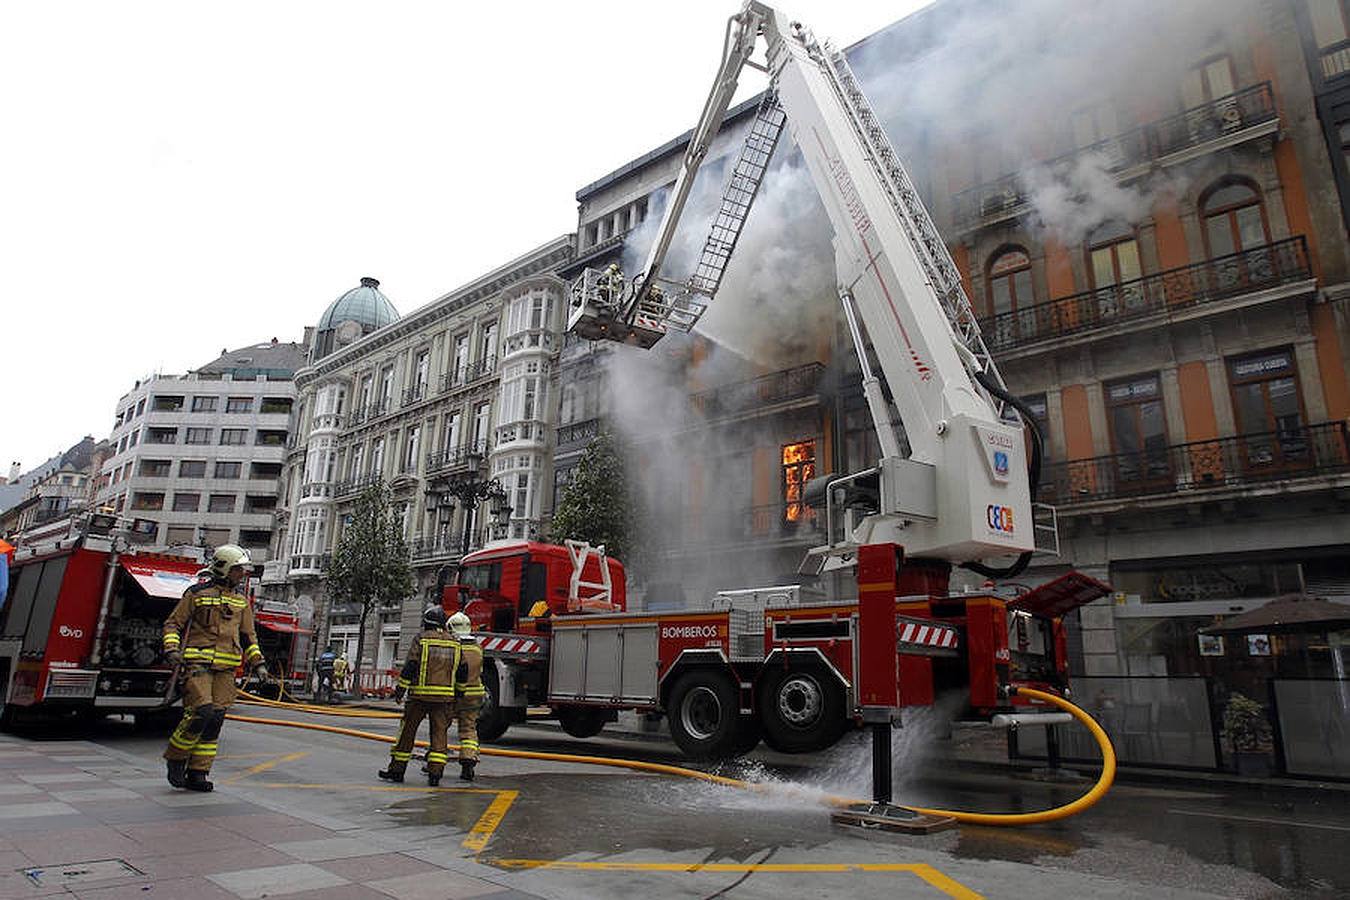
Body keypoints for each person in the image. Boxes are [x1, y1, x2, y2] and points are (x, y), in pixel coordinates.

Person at [162, 544, 267, 791]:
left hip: (226, 670)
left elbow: (249, 637)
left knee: (215, 720)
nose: (242, 574)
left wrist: (259, 664)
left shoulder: (241, 602)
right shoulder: (196, 594)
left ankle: (198, 772)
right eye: (238, 569)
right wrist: (172, 649)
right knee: (201, 712)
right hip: (198, 665)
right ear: (224, 568)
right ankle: (176, 758)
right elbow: (173, 624)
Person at [379, 605, 458, 786]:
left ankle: (397, 770)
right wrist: (458, 695)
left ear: (427, 623)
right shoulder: (454, 642)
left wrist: (400, 689)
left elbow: (411, 665)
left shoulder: (421, 639)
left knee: (407, 732)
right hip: (444, 698)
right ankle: (435, 774)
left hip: (419, 697)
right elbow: (462, 669)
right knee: (439, 735)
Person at [448, 611, 486, 781]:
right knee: (468, 729)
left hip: (454, 693)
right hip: (474, 695)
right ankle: (468, 759)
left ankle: (435, 762)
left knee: (440, 727)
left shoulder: (453, 647)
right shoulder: (477, 648)